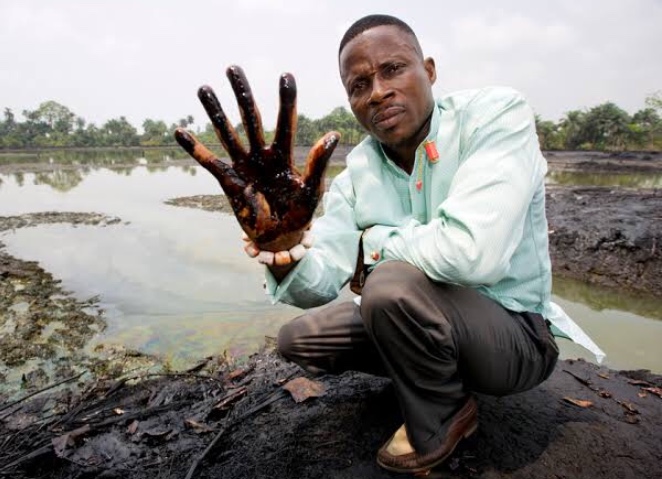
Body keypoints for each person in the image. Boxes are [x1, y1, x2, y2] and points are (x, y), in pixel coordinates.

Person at [175, 14, 604, 476]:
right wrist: (284, 246)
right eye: (359, 85)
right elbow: (319, 283)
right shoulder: (359, 169)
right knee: (299, 337)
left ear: (430, 71)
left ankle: (444, 416)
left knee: (389, 286)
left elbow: (473, 253)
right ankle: (431, 373)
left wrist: (374, 245)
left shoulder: (494, 116)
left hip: (514, 338)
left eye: (393, 70)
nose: (377, 92)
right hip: (426, 320)